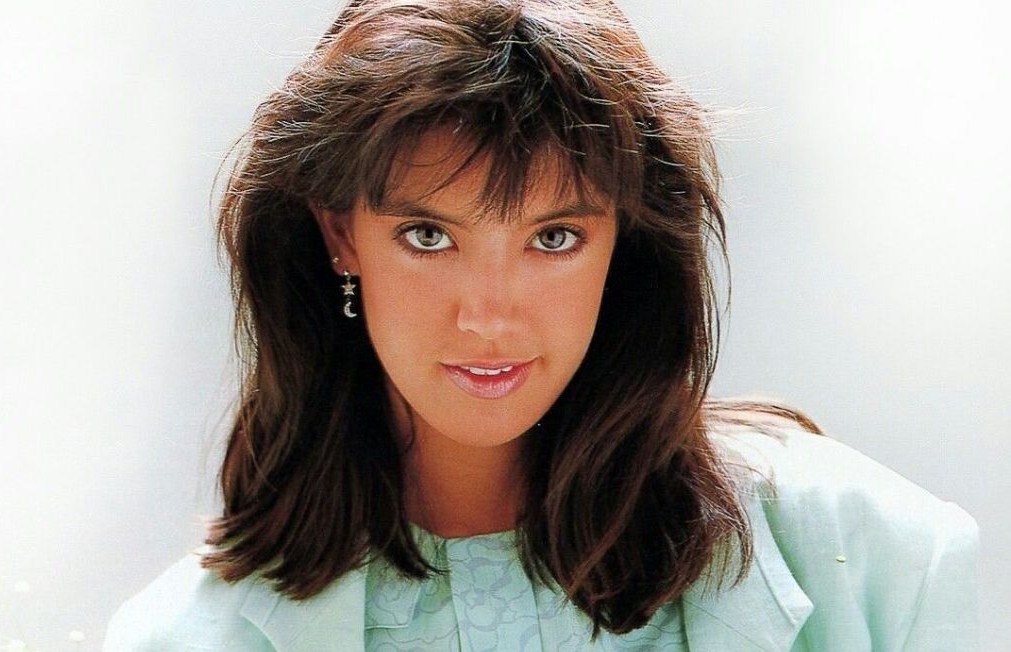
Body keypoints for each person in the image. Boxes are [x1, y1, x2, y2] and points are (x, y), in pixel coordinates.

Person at [102, 0, 980, 650]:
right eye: (428, 236)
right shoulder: (179, 638)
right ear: (341, 236)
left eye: (554, 237)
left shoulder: (874, 557)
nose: (488, 315)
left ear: (624, 241)